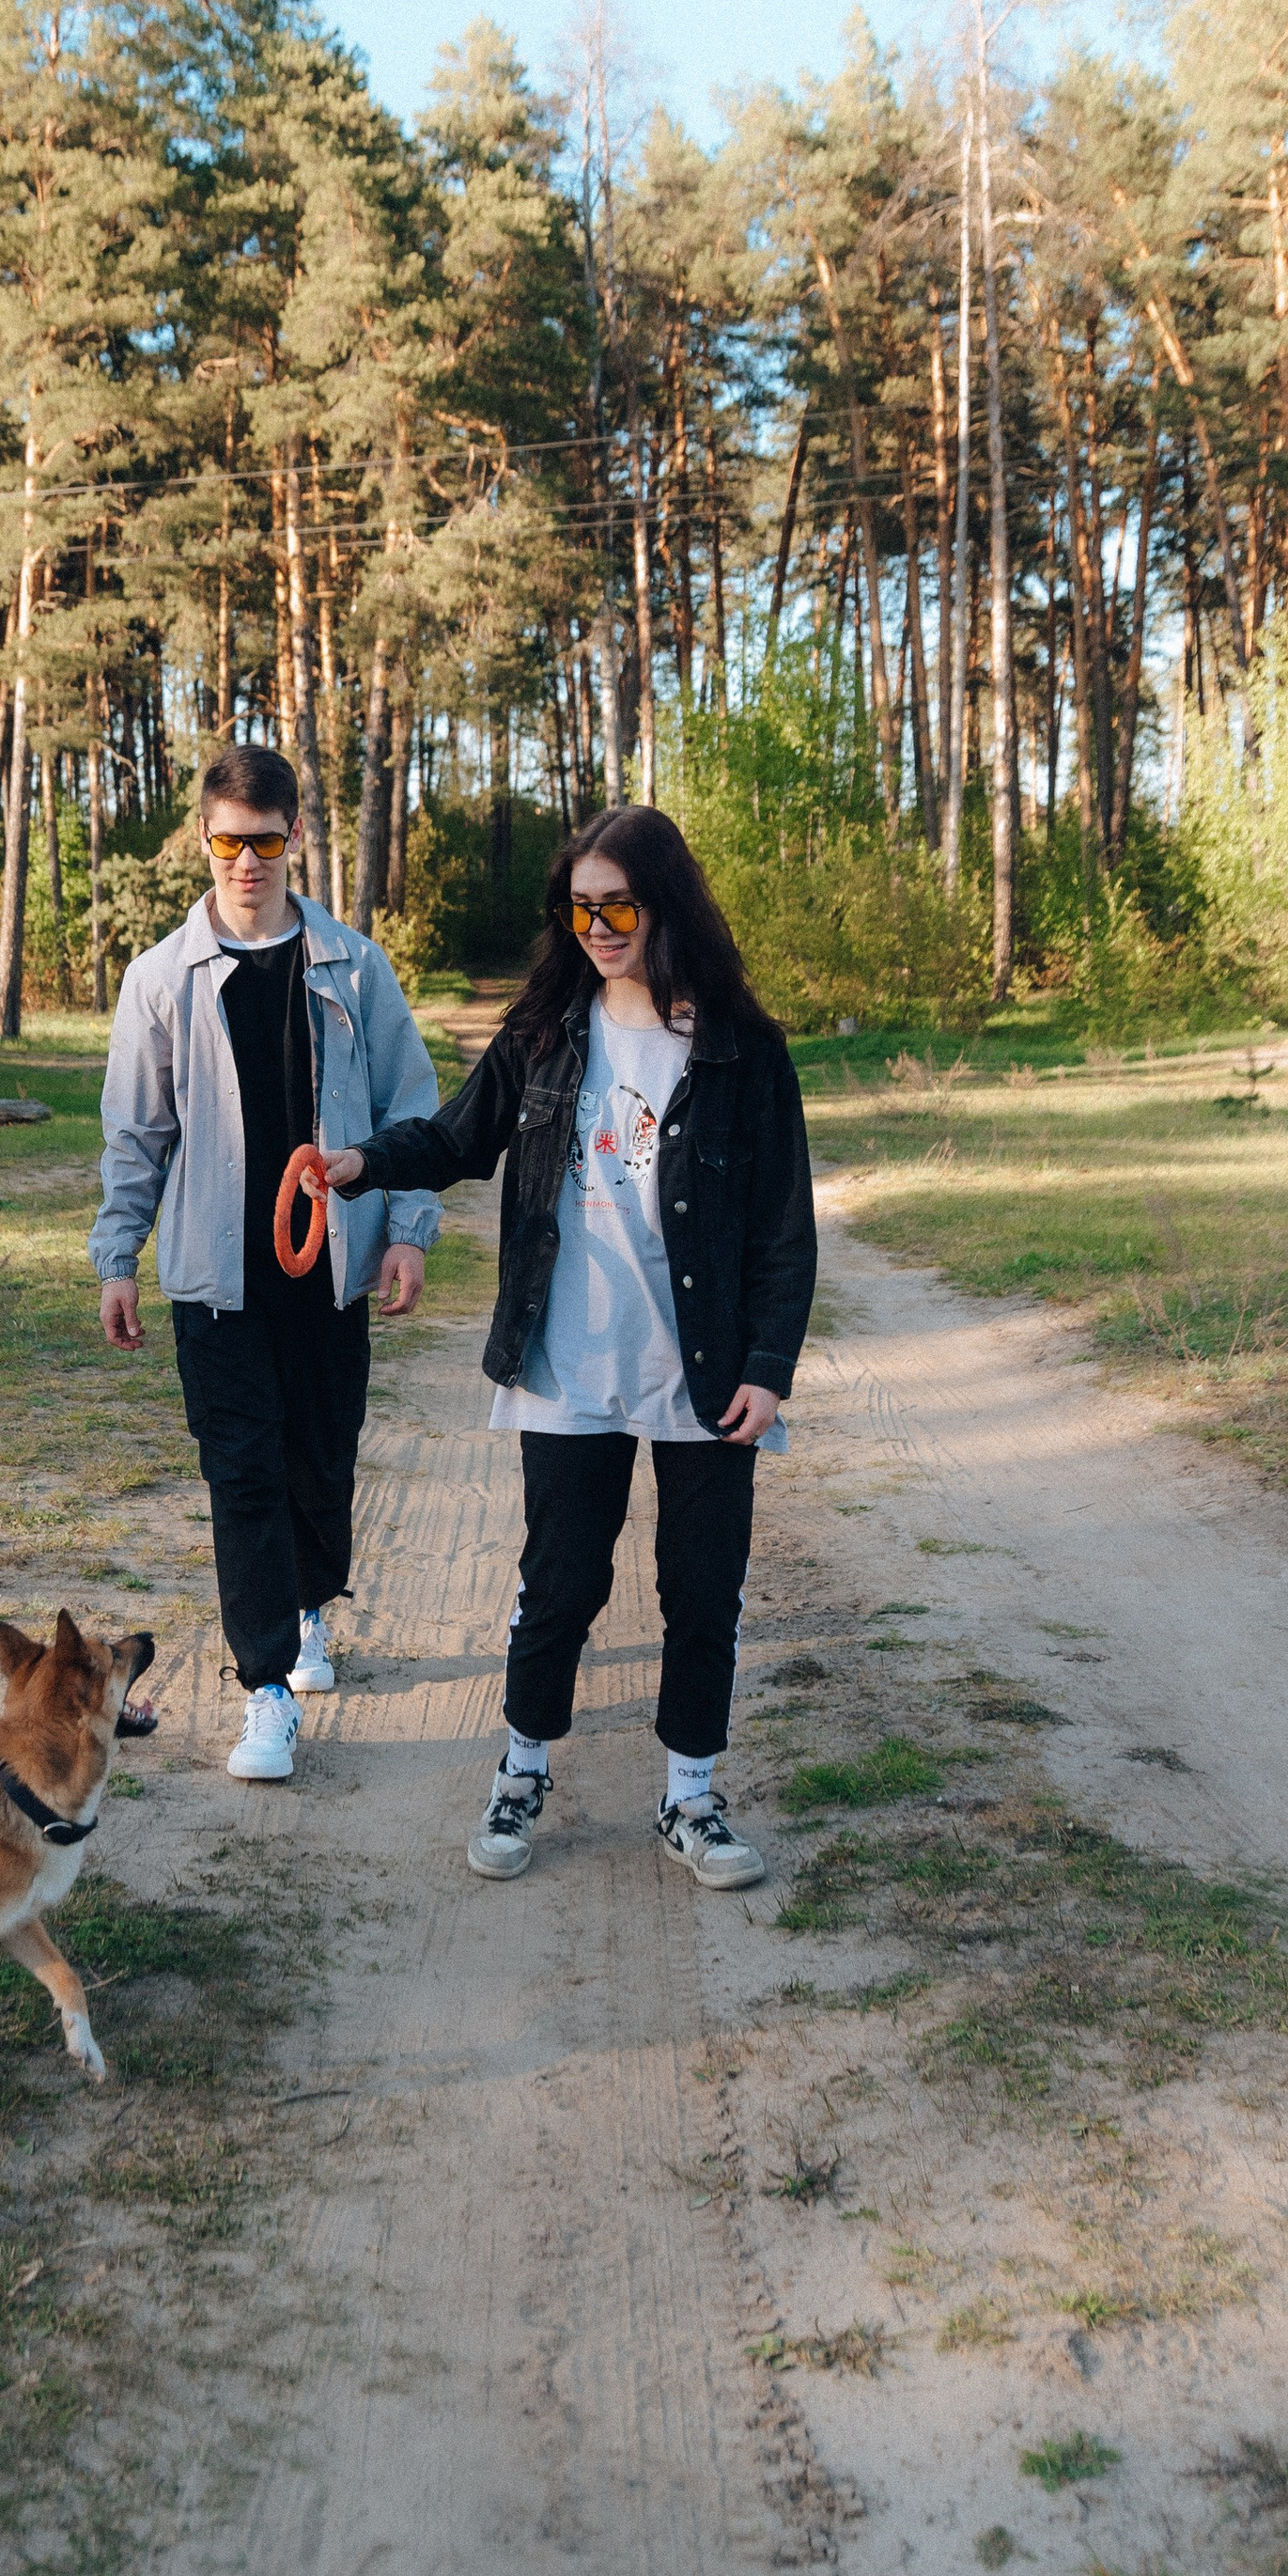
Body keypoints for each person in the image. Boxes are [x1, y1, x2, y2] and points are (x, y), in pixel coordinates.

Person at [321, 804, 815, 1887]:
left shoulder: (741, 1050)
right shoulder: (544, 1033)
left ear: (665, 905)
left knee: (702, 1588)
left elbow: (784, 1227)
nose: (596, 926)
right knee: (558, 1582)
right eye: (579, 906)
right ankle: (521, 1767)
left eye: (618, 905)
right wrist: (358, 1163)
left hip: (699, 1372)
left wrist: (767, 1369)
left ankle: (690, 1797)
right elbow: (456, 1137)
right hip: (568, 1363)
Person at [90, 745, 442, 1785]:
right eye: (229, 841)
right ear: (202, 841)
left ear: (296, 836)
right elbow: (135, 1136)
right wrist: (118, 1257)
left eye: (268, 839)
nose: (247, 860)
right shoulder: (159, 979)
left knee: (320, 1463)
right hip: (217, 1279)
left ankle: (306, 1606)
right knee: (241, 1476)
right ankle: (267, 1689)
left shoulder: (352, 965)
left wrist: (409, 1231)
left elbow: (409, 1108)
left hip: (330, 1269)